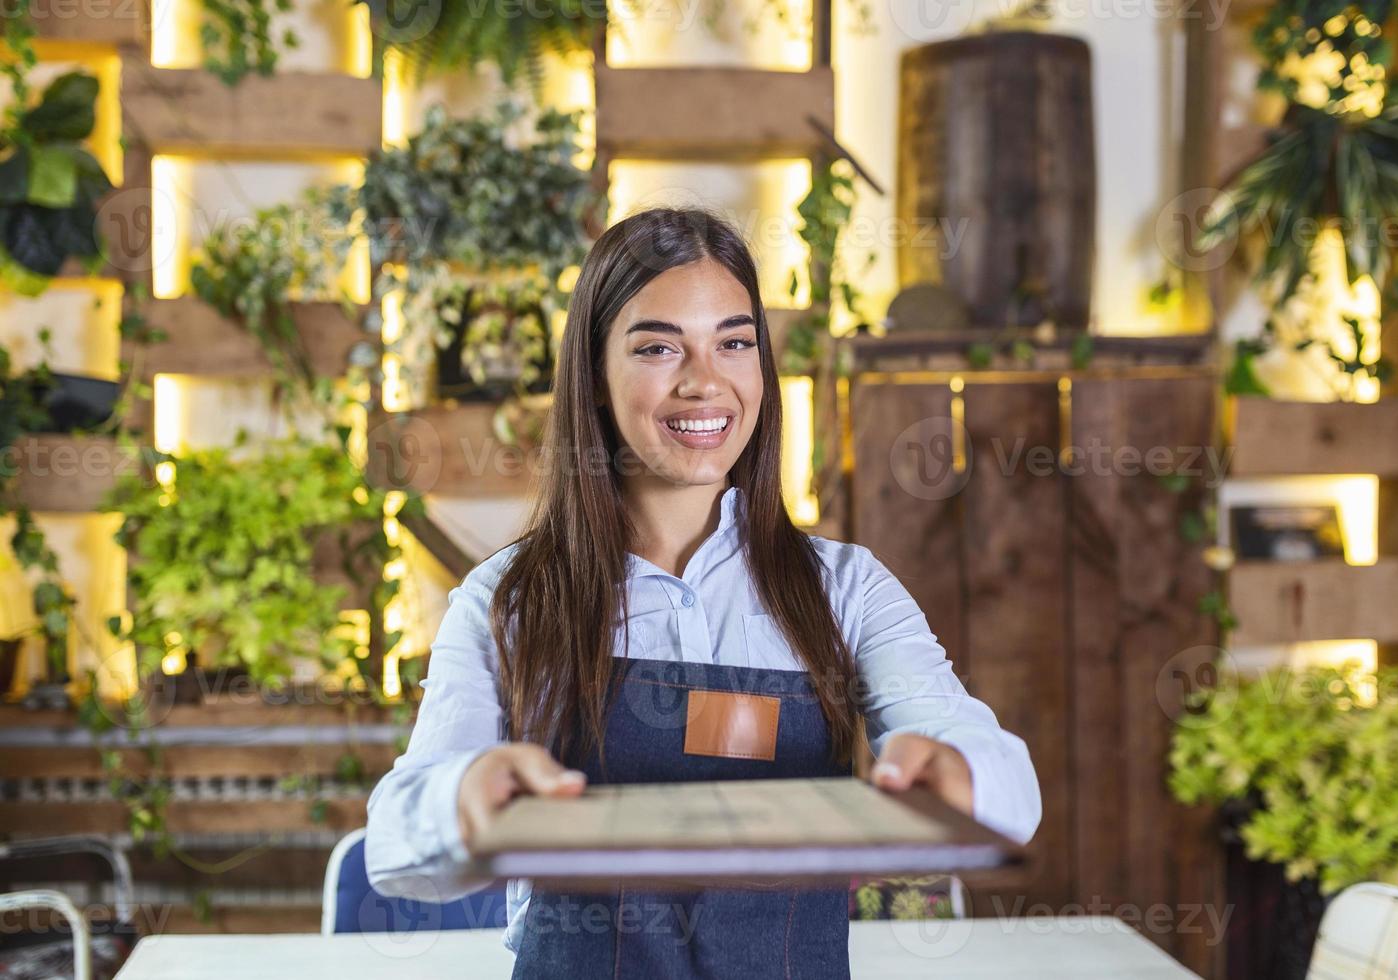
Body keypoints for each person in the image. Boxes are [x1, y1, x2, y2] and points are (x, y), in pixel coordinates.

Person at [364, 207, 1042, 978]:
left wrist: (957, 772)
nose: (705, 381)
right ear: (593, 371)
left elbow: (1006, 785)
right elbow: (394, 847)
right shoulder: (510, 602)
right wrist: (466, 794)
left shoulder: (847, 592)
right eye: (658, 346)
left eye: (734, 342)